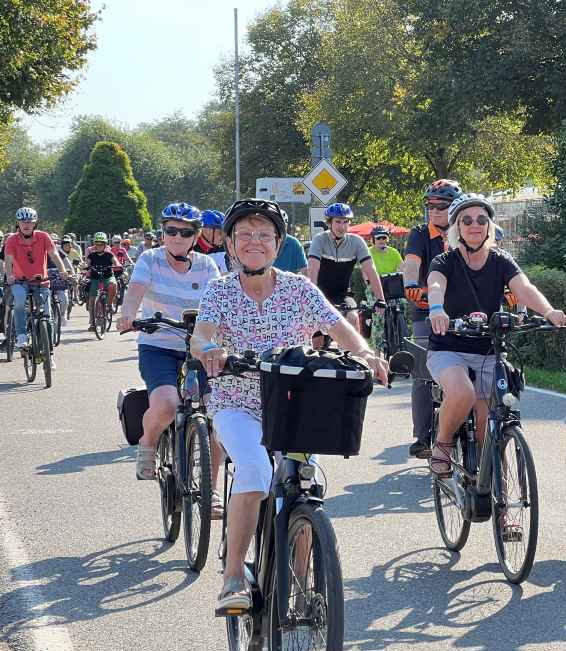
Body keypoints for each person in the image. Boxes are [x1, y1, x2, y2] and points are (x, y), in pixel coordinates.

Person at [190, 198, 388, 612]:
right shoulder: (220, 290)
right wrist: (210, 349)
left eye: (264, 235)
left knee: (304, 483)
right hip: (236, 402)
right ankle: (233, 579)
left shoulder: (299, 288)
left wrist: (367, 354)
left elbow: (337, 325)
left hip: (294, 407)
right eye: (244, 234)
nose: (254, 242)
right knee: (256, 470)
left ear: (278, 244)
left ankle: (299, 586)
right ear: (230, 244)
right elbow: (202, 333)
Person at [426, 193, 566, 538]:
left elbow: (525, 288)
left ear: (490, 226)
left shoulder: (502, 260)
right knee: (462, 391)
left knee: (493, 430)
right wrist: (437, 310)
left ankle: (505, 514)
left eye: (481, 220)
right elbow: (434, 285)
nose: (475, 225)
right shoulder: (445, 261)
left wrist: (547, 311)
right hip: (449, 350)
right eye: (467, 220)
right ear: (457, 228)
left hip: (489, 350)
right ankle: (443, 445)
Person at [116, 202, 222, 481]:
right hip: (158, 346)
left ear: (195, 236)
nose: (177, 237)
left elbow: (220, 301)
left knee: (220, 414)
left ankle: (209, 490)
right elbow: (136, 288)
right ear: (162, 232)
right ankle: (148, 441)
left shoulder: (206, 265)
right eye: (171, 231)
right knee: (166, 405)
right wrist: (128, 315)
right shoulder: (150, 259)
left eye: (185, 233)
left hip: (200, 348)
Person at [403, 178, 462, 458]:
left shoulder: (466, 233)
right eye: (430, 205)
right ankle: (423, 436)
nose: (434, 211)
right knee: (423, 373)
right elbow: (412, 264)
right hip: (426, 309)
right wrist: (411, 287)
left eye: (441, 206)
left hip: (462, 311)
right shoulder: (419, 234)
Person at [307, 202, 385, 329]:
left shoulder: (356, 242)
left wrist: (380, 299)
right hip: (319, 294)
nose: (342, 226)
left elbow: (370, 270)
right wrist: (313, 300)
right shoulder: (319, 240)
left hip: (343, 295)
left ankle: (352, 350)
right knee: (317, 337)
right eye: (338, 222)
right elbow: (312, 270)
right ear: (329, 223)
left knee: (353, 318)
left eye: (345, 222)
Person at [4, 208, 67, 348]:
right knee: (19, 300)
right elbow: (8, 261)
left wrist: (62, 270)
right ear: (18, 223)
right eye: (23, 222)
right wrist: (9, 276)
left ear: (35, 223)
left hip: (41, 281)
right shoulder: (12, 240)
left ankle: (48, 352)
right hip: (20, 281)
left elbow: (54, 255)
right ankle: (21, 335)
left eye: (29, 222)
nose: (26, 225)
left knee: (46, 314)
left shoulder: (44, 236)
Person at [83, 233, 118, 328]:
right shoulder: (92, 255)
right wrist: (84, 267)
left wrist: (118, 265)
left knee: (113, 285)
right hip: (95, 278)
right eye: (97, 244)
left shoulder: (109, 254)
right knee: (92, 298)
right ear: (94, 245)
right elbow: (87, 263)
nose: (99, 246)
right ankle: (92, 321)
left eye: (101, 244)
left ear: (105, 245)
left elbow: (115, 261)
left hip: (107, 277)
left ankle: (109, 305)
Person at [272, 210, 308, 275]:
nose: (278, 228)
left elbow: (305, 270)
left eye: (281, 225)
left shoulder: (294, 244)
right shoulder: (264, 242)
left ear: (286, 225)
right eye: (276, 225)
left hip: (288, 283)